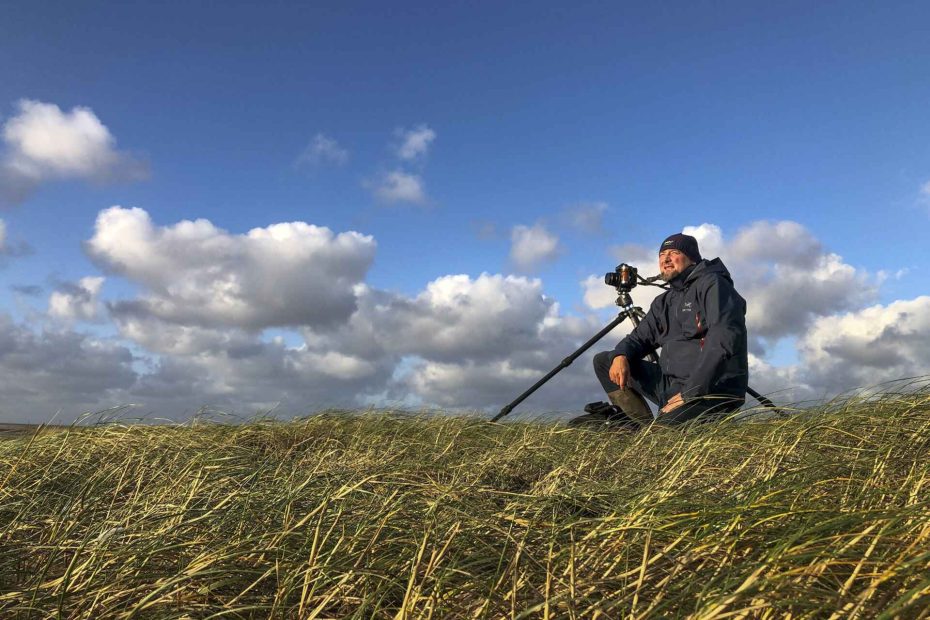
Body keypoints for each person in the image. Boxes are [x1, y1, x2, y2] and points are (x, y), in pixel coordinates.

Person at [570, 232, 748, 428]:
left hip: (711, 389)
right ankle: (637, 427)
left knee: (662, 438)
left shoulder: (713, 284)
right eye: (662, 255)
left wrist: (691, 392)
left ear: (692, 258)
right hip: (672, 385)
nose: (666, 259)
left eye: (674, 252)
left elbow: (723, 340)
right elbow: (639, 338)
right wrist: (620, 355)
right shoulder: (664, 301)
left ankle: (650, 434)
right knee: (605, 361)